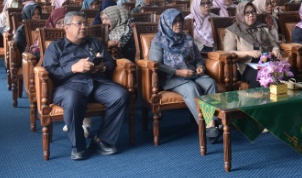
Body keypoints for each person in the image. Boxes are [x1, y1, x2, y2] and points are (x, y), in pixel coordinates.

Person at [42, 11, 130, 160]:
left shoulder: (94, 42)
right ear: (66, 27)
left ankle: (103, 140)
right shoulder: (55, 47)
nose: (84, 27)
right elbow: (50, 72)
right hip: (68, 86)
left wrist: (101, 67)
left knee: (120, 95)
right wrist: (73, 68)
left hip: (96, 82)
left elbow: (110, 63)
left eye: (85, 23)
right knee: (72, 100)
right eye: (79, 24)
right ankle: (79, 146)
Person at [149, 9, 220, 143]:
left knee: (210, 83)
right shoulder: (158, 41)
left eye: (180, 21)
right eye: (174, 22)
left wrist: (200, 67)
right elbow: (155, 65)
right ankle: (207, 126)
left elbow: (198, 58)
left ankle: (212, 123)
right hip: (172, 78)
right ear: (166, 23)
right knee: (191, 88)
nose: (178, 24)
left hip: (192, 73)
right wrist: (177, 72)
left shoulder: (187, 38)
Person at [223, 2, 281, 88]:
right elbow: (228, 52)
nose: (251, 15)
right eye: (247, 13)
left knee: (286, 73)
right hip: (246, 66)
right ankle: (259, 97)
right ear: (240, 14)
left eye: (253, 12)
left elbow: (274, 44)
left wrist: (276, 49)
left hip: (266, 62)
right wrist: (247, 52)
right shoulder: (233, 31)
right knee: (260, 77)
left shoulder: (262, 27)